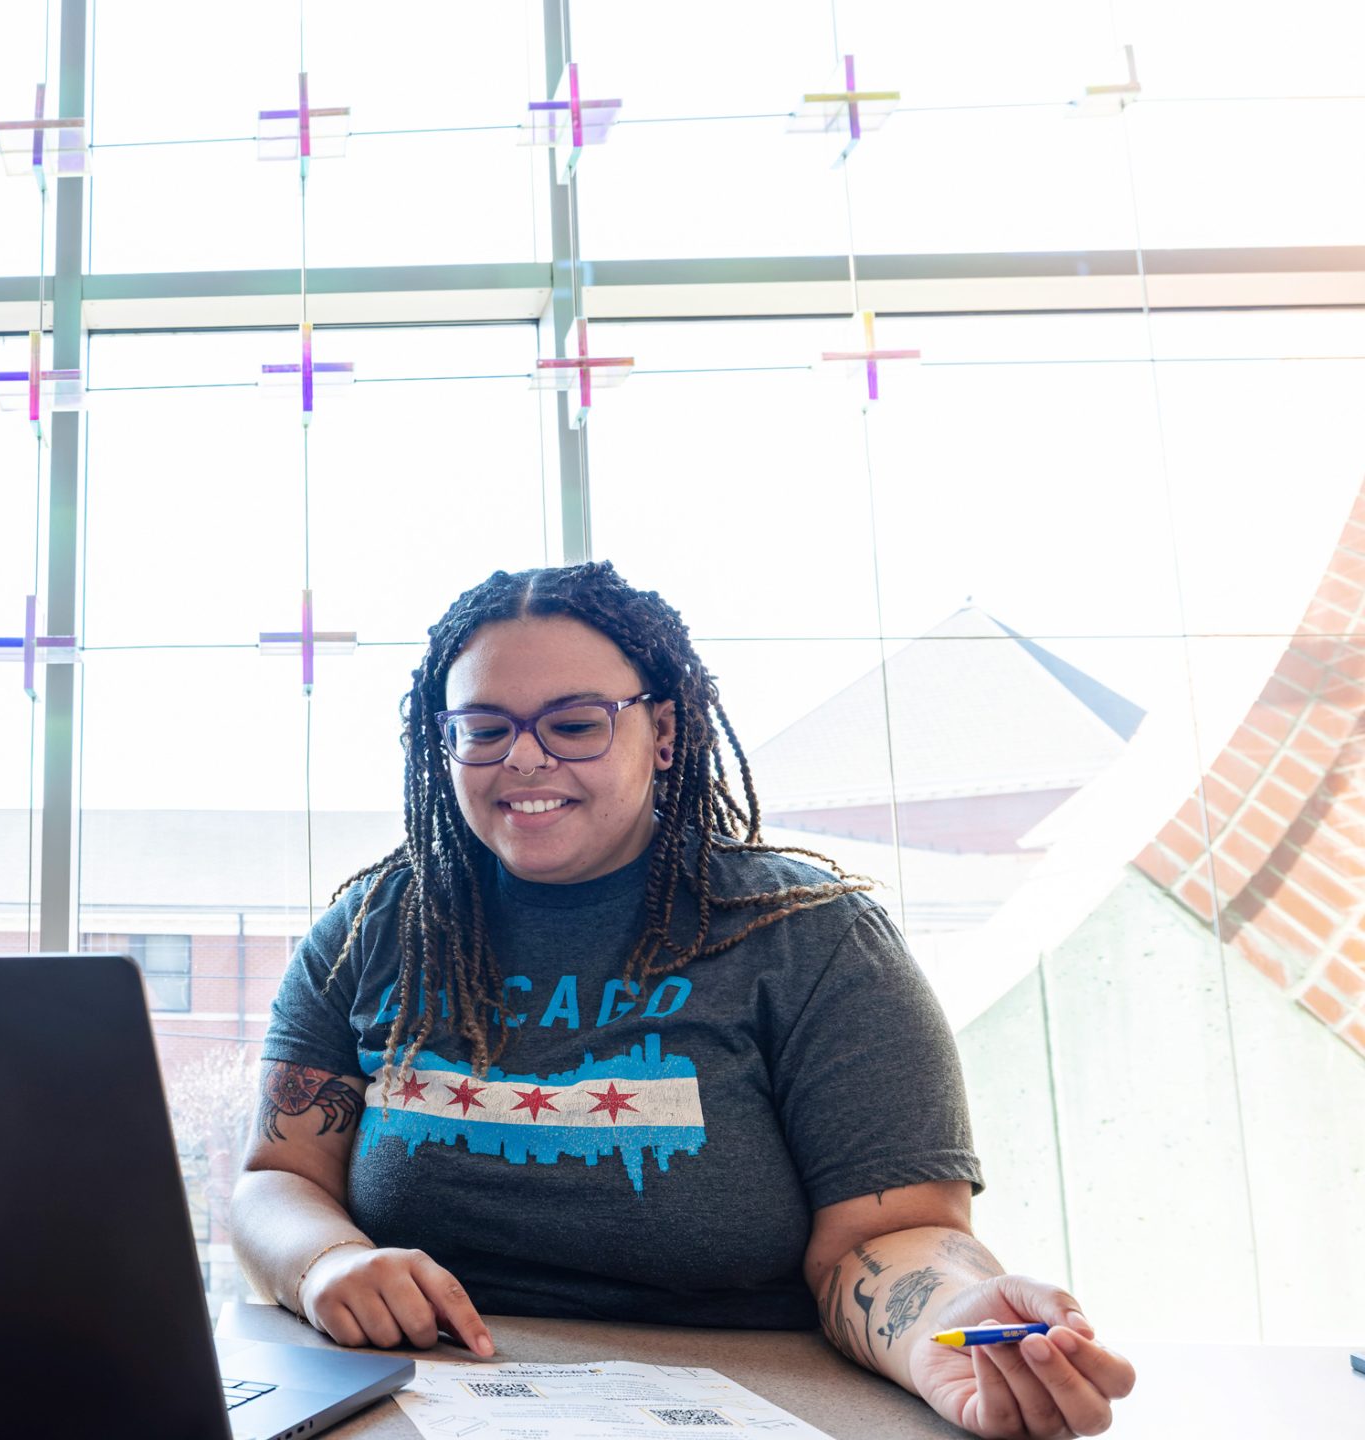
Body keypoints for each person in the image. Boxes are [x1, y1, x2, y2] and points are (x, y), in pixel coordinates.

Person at [230, 563, 1135, 1438]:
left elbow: (890, 1239)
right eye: (484, 727)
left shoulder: (810, 937)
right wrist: (327, 1263)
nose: (525, 759)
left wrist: (955, 1322)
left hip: (747, 1396)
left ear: (662, 732)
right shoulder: (376, 927)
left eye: (576, 724)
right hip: (421, 1394)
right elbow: (278, 1178)